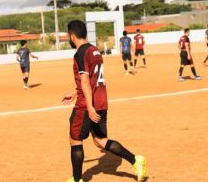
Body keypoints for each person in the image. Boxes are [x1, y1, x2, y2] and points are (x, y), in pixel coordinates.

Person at [63, 20, 146, 182]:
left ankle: (77, 179)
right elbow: (93, 78)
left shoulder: (80, 53)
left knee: (75, 139)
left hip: (87, 105)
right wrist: (75, 91)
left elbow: (86, 81)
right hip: (101, 101)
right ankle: (136, 160)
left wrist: (89, 106)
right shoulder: (95, 50)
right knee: (100, 140)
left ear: (72, 36)